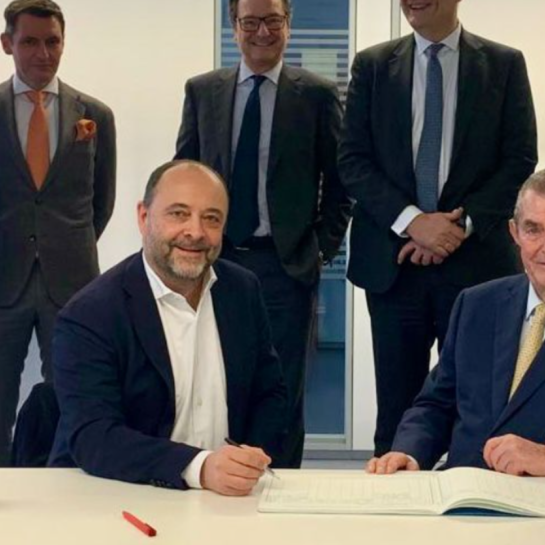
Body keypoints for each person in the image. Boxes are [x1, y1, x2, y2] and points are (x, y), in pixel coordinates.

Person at [338, 0, 537, 456]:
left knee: (477, 410)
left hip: (476, 268)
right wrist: (414, 222)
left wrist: (457, 227)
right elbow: (352, 161)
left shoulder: (503, 65)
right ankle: (394, 493)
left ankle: (470, 493)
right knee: (397, 414)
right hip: (393, 267)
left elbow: (520, 158)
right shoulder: (372, 66)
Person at [174, 0, 351, 468]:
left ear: (288, 24)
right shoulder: (203, 91)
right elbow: (183, 174)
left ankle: (280, 482)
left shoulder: (316, 94)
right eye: (250, 22)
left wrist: (319, 251)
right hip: (216, 261)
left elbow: (340, 184)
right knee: (216, 376)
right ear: (234, 26)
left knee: (283, 388)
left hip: (284, 264)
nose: (262, 32)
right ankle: (221, 475)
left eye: (273, 20)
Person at [48, 160, 287, 496]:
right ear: (144, 217)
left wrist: (249, 461)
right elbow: (94, 436)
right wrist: (200, 468)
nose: (196, 232)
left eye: (211, 218)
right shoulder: (91, 313)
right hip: (126, 495)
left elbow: (270, 393)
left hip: (229, 499)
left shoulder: (242, 290)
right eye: (178, 214)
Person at [367, 171, 545, 477]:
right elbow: (437, 404)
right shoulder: (478, 305)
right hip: (460, 494)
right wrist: (409, 452)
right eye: (533, 230)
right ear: (514, 232)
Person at [0, 0, 116, 466]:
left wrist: (65, 245)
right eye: (30, 41)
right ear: (7, 44)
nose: (43, 53)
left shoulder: (95, 115)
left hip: (72, 284)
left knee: (71, 400)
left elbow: (100, 203)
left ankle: (63, 486)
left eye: (52, 42)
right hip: (3, 280)